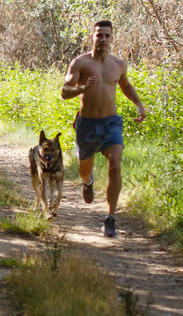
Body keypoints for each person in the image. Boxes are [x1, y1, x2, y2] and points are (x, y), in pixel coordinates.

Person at [61, 20, 145, 237]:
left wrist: (139, 104)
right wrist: (82, 87)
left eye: (107, 35)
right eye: (99, 35)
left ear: (112, 38)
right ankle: (87, 182)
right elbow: (64, 91)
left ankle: (110, 218)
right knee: (84, 169)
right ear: (92, 37)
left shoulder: (118, 65)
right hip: (87, 125)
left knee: (115, 165)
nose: (103, 39)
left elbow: (125, 86)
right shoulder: (80, 63)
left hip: (111, 123)